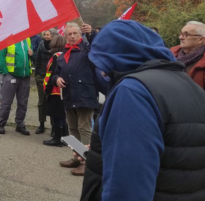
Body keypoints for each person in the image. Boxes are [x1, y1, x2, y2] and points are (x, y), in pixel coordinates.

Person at [81, 20, 205, 200]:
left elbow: (127, 189)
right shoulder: (187, 83)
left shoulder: (133, 91)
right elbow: (177, 149)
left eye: (103, 61)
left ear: (118, 56)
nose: (103, 72)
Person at [50, 22, 98, 176]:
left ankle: (86, 162)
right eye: (69, 34)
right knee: (72, 128)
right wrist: (56, 79)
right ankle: (77, 157)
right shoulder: (63, 55)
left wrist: (90, 34)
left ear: (80, 34)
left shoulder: (87, 50)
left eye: (74, 33)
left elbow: (97, 46)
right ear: (65, 37)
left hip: (85, 94)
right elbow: (54, 74)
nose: (72, 36)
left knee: (84, 128)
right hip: (69, 95)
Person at [0, 38, 33, 135]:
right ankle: (1, 123)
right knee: (6, 102)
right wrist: (5, 74)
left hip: (25, 77)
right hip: (11, 76)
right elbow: (0, 58)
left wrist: (32, 54)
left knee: (23, 103)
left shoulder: (27, 40)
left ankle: (20, 124)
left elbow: (32, 56)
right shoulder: (7, 39)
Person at [42, 35, 68, 147]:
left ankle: (57, 138)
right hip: (58, 90)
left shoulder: (57, 56)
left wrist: (47, 89)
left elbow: (53, 74)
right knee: (61, 115)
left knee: (57, 115)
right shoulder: (63, 55)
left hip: (55, 90)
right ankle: (65, 136)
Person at [170, 21, 205, 89]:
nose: (180, 37)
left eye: (186, 34)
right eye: (181, 34)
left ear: (200, 39)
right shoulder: (170, 54)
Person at [34, 29, 56, 134]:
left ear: (53, 36)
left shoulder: (56, 47)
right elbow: (37, 60)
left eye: (49, 35)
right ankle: (41, 124)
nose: (47, 36)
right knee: (41, 102)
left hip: (53, 78)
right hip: (41, 77)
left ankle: (53, 126)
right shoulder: (41, 45)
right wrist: (37, 75)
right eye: (45, 35)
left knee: (52, 102)